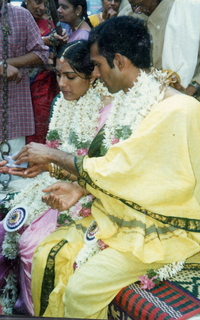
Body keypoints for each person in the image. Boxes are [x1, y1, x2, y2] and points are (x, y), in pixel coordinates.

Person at [13, 16, 200, 319]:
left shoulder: (180, 109)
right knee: (48, 252)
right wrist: (77, 188)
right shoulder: (126, 99)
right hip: (115, 212)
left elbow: (125, 168)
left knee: (80, 290)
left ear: (120, 61)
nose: (94, 73)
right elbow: (125, 167)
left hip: (161, 231)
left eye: (98, 65)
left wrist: (54, 157)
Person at [0, 40, 110, 315]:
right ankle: (18, 304)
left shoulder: (107, 110)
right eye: (59, 74)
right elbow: (56, 151)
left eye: (70, 76)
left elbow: (94, 169)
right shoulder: (63, 102)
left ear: (93, 74)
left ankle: (38, 310)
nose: (61, 83)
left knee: (29, 246)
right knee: (6, 226)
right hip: (54, 184)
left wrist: (50, 165)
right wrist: (31, 166)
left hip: (87, 194)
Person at [118, 0, 200, 147]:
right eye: (131, 3)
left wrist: (193, 87)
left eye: (139, 2)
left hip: (193, 108)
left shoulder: (193, 10)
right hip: (144, 117)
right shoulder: (128, 15)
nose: (135, 7)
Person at [0, 0, 49, 162]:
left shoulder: (21, 16)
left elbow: (41, 54)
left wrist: (8, 64)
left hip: (13, 116)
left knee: (13, 180)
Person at [22, 0, 65, 144]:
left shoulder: (52, 24)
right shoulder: (15, 20)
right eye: (38, 2)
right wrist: (44, 42)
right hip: (18, 88)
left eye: (45, 3)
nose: (41, 8)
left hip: (45, 88)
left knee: (42, 126)